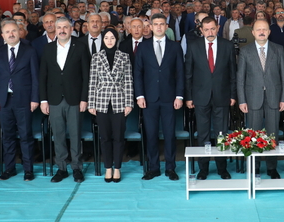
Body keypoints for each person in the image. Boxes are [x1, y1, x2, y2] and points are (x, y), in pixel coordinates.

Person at [39, 18, 90, 183]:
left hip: (74, 98)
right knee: (58, 135)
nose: (62, 30)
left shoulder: (80, 47)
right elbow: (43, 77)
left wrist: (84, 99)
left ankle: (76, 168)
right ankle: (61, 168)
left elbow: (86, 76)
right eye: (59, 27)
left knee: (75, 134)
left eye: (65, 27)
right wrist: (43, 100)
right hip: (53, 99)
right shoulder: (47, 49)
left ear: (71, 29)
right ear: (54, 28)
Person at [185, 17, 237, 180]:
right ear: (201, 29)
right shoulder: (193, 46)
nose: (210, 32)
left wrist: (233, 95)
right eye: (206, 29)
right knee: (203, 134)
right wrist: (189, 96)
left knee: (221, 133)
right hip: (200, 97)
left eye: (212, 29)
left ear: (218, 28)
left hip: (222, 96)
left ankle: (222, 168)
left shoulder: (227, 46)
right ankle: (204, 169)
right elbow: (188, 74)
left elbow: (233, 74)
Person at [134, 13, 184, 181]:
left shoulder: (175, 47)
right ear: (151, 27)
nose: (159, 27)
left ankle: (170, 168)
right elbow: (138, 73)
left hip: (170, 98)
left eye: (162, 24)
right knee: (151, 134)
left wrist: (179, 96)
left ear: (166, 26)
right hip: (149, 98)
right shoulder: (143, 47)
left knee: (170, 134)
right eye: (155, 24)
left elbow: (180, 73)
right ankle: (153, 167)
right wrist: (139, 95)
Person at [237, 19, 284, 179]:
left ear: (269, 32)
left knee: (272, 133)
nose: (261, 32)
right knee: (253, 133)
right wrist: (242, 100)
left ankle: (272, 168)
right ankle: (255, 166)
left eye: (264, 29)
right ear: (253, 32)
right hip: (253, 98)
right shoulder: (245, 51)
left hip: (274, 97)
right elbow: (240, 78)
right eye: (258, 29)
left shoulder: (278, 49)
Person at [0, 19, 40, 181]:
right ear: (2, 35)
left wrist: (35, 99)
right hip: (4, 101)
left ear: (19, 33)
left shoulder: (30, 51)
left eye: (14, 31)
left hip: (24, 100)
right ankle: (9, 169)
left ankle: (28, 170)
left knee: (26, 136)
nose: (11, 34)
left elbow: (35, 77)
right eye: (7, 32)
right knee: (8, 136)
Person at [87, 28, 133, 183]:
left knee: (119, 137)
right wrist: (91, 103)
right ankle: (108, 167)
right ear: (103, 39)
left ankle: (118, 168)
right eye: (106, 37)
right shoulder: (96, 57)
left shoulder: (124, 57)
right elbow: (93, 81)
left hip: (120, 101)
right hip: (101, 101)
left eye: (112, 37)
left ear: (116, 39)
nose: (109, 40)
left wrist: (129, 103)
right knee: (105, 137)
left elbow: (128, 81)